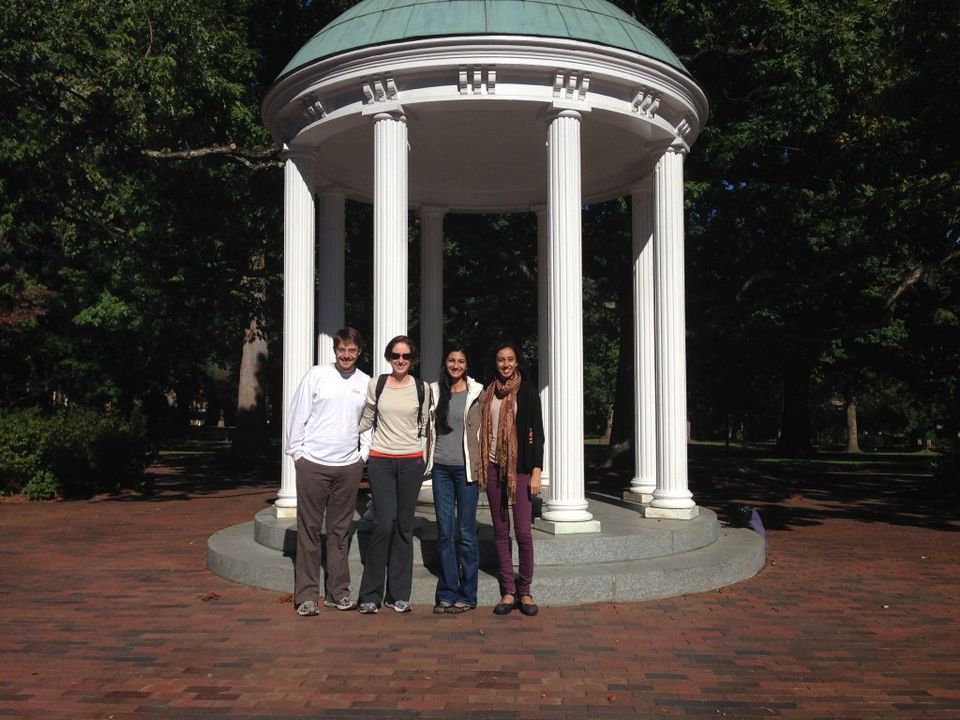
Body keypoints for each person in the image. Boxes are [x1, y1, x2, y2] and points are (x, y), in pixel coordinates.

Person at [284, 327, 371, 616]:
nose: (346, 355)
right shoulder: (317, 375)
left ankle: (338, 592)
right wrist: (298, 454)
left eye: (352, 350)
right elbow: (297, 413)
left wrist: (362, 456)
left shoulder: (365, 382)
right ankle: (306, 596)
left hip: (348, 467)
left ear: (359, 352)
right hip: (313, 464)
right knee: (309, 530)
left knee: (339, 531)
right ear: (335, 351)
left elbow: (368, 422)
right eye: (341, 350)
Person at [356, 335, 431, 614]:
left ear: (413, 359)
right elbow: (366, 419)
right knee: (383, 524)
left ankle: (398, 594)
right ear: (389, 358)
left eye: (406, 356)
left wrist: (424, 459)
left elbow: (424, 426)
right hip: (381, 462)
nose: (401, 361)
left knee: (404, 525)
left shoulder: (422, 388)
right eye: (396, 356)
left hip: (411, 462)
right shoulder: (377, 384)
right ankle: (370, 595)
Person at [477, 341, 544, 616]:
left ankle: (525, 590)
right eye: (501, 359)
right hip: (494, 468)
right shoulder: (488, 392)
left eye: (510, 359)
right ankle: (508, 589)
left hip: (521, 470)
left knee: (524, 533)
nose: (505, 364)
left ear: (517, 362)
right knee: (501, 532)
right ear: (495, 363)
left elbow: (537, 433)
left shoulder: (526, 391)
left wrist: (537, 471)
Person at [425, 347, 483, 613]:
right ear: (445, 363)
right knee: (445, 533)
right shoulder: (434, 392)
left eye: (460, 361)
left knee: (466, 533)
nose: (455, 365)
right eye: (451, 360)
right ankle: (447, 592)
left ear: (467, 364)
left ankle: (467, 594)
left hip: (466, 472)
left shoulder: (477, 392)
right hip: (441, 471)